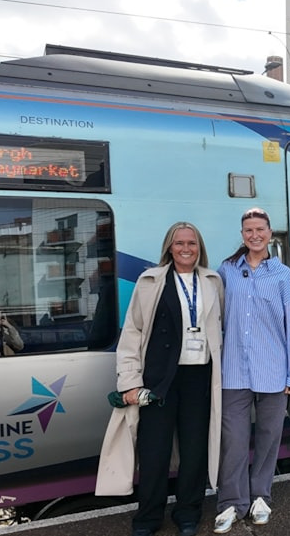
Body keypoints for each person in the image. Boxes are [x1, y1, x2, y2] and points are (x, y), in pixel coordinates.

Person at [95, 222, 224, 536]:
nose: (185, 249)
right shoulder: (150, 281)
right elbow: (132, 332)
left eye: (191, 243)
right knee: (154, 451)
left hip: (200, 377)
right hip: (159, 378)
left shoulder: (212, 281)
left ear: (199, 247)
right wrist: (130, 381)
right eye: (179, 243)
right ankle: (148, 518)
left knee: (194, 450)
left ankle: (188, 513)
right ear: (169, 247)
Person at [213, 207, 290, 534]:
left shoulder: (283, 275)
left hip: (273, 372)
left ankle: (261, 497)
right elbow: (216, 318)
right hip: (234, 371)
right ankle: (231, 503)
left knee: (268, 438)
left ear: (270, 234)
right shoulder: (227, 271)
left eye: (260, 229)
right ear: (242, 235)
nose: (254, 235)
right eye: (248, 230)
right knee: (233, 442)